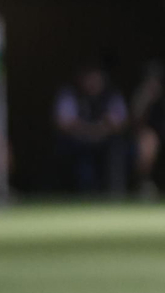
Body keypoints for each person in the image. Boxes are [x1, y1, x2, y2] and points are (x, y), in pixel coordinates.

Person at [54, 65, 128, 194]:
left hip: (105, 141)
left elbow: (120, 123)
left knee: (117, 148)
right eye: (89, 79)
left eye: (96, 79)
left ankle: (115, 192)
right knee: (77, 157)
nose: (92, 83)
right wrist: (91, 130)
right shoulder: (71, 93)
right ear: (81, 79)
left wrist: (100, 130)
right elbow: (63, 123)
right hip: (78, 141)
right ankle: (80, 193)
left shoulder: (111, 95)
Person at [132, 62, 163, 200]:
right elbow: (136, 120)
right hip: (149, 134)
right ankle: (144, 183)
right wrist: (147, 98)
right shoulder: (142, 95)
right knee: (149, 140)